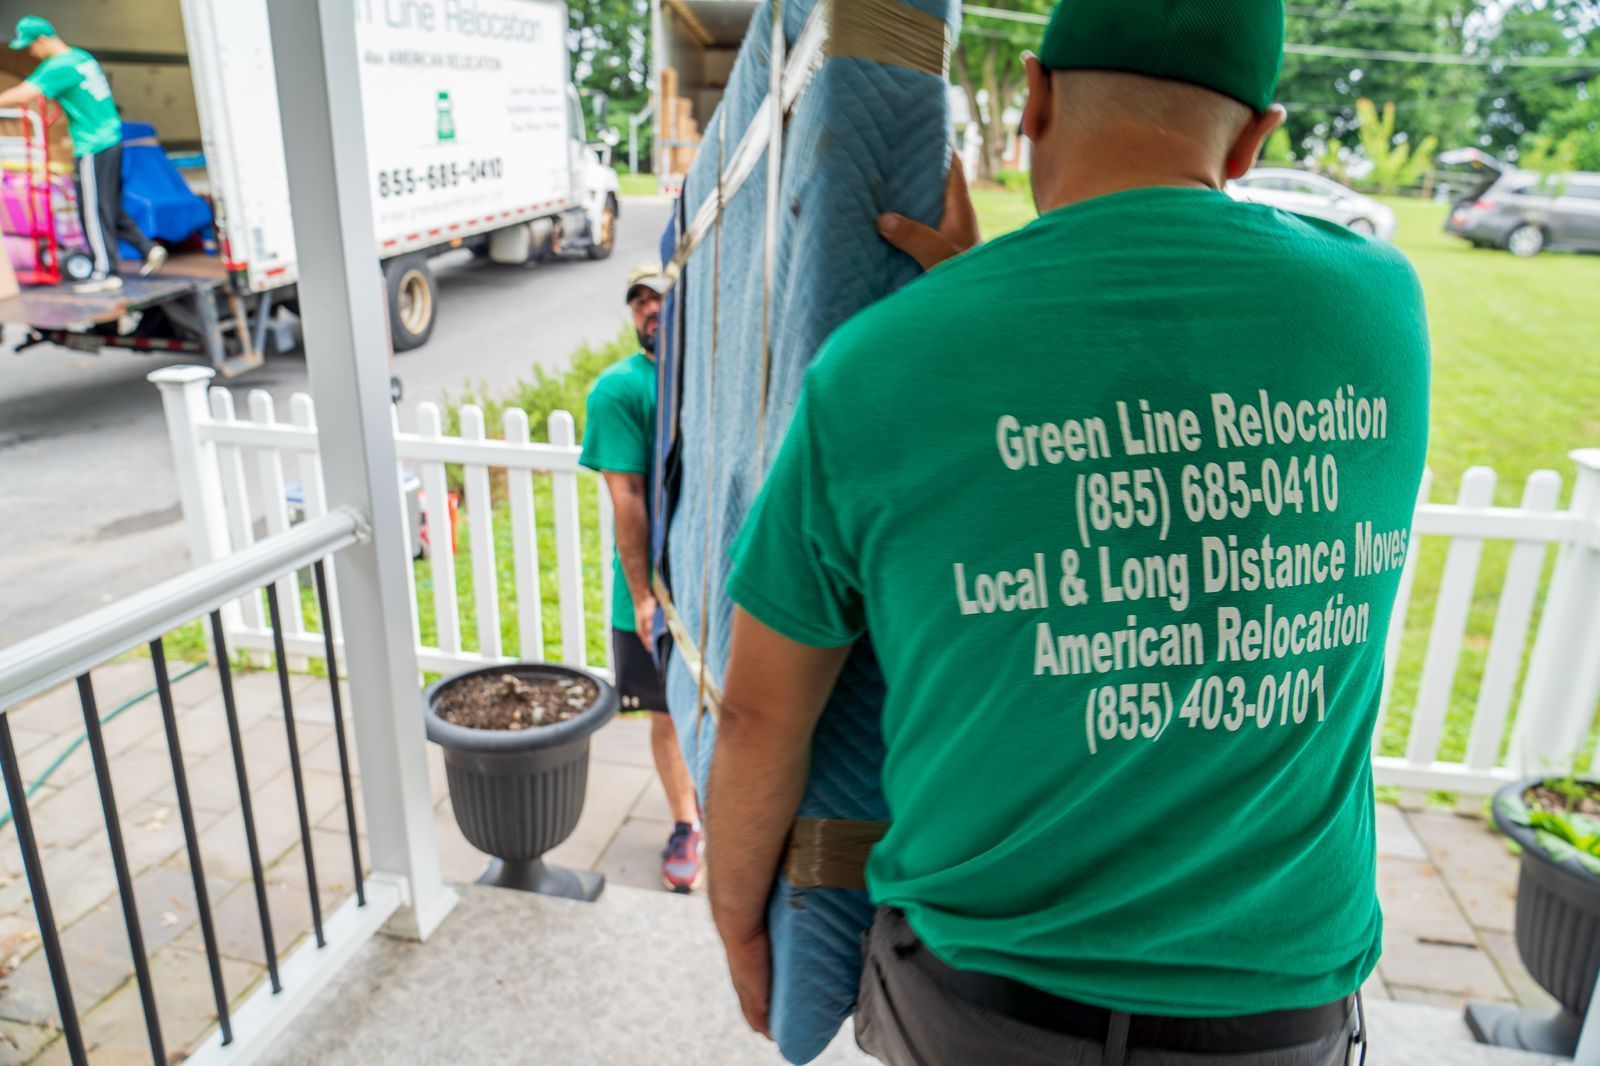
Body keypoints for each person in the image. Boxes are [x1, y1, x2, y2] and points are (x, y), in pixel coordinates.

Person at [705, 0, 1430, 1063]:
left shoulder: (880, 368)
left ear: (1036, 97)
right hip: (1271, 1017)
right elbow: (1165, 374)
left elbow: (762, 714)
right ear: (1251, 137)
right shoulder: (1378, 313)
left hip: (980, 1008)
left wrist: (738, 925)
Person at [580, 261, 703, 893]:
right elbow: (626, 496)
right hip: (656, 591)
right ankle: (687, 822)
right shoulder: (619, 391)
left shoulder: (712, 374)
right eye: (638, 301)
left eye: (660, 295)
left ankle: (723, 806)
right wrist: (643, 594)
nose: (649, 308)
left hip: (722, 578)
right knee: (667, 713)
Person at [0, 16, 165, 293]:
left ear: (42, 40)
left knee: (92, 208)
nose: (31, 53)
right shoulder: (81, 57)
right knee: (107, 204)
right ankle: (147, 248)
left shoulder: (59, 65)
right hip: (110, 137)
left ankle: (105, 272)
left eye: (31, 46)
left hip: (93, 145)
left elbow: (22, 94)